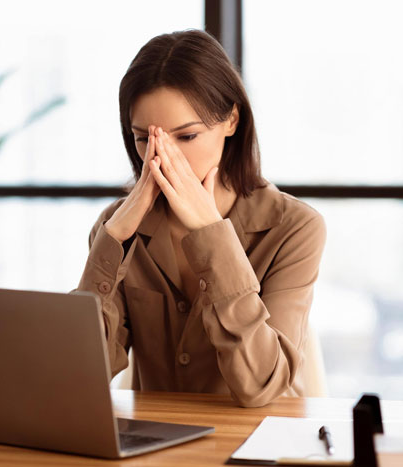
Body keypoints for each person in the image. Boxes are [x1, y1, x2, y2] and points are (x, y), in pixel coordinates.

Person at [76, 29, 327, 408]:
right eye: (145, 139)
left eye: (187, 136)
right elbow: (82, 374)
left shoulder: (294, 227)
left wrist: (211, 235)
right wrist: (110, 244)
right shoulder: (117, 227)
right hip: (156, 445)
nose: (161, 158)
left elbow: (259, 384)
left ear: (231, 120)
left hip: (258, 442)